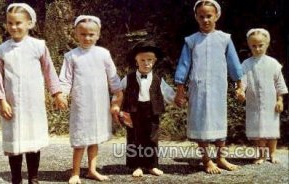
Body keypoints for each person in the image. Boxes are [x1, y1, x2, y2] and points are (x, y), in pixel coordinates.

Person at [0, 3, 67, 184]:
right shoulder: (2, 50)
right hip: (12, 103)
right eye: (10, 23)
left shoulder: (38, 46)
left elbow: (49, 71)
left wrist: (56, 93)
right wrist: (1, 101)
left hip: (33, 103)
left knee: (33, 140)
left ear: (29, 23)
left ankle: (33, 177)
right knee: (14, 142)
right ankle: (16, 178)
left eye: (18, 23)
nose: (14, 27)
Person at [174, 0, 244, 174]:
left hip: (218, 86)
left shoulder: (224, 39)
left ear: (217, 16)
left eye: (209, 16)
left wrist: (239, 85)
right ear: (196, 17)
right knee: (200, 120)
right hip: (198, 88)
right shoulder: (191, 41)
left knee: (219, 119)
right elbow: (184, 65)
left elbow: (234, 64)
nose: (205, 20)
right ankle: (206, 160)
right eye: (201, 16)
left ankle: (220, 157)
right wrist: (180, 91)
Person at [59, 15, 123, 183]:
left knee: (94, 137)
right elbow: (65, 79)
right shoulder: (71, 56)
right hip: (81, 103)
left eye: (91, 34)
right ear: (76, 34)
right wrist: (62, 94)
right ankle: (75, 172)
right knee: (81, 137)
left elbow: (113, 76)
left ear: (98, 34)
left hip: (100, 102)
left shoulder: (103, 54)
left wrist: (117, 92)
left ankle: (92, 170)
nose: (87, 38)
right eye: (83, 34)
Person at [113, 41, 176, 177]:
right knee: (134, 138)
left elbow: (168, 93)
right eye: (142, 60)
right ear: (136, 61)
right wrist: (117, 106)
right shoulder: (128, 78)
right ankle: (136, 166)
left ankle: (152, 165)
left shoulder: (158, 79)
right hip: (133, 111)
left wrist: (178, 100)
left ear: (154, 61)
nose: (146, 63)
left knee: (152, 138)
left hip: (152, 110)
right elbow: (119, 93)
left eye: (149, 60)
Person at [240, 28, 288, 164]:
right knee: (258, 130)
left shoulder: (273, 64)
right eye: (253, 46)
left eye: (260, 45)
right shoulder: (246, 64)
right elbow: (242, 81)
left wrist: (280, 100)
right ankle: (261, 155)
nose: (257, 48)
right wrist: (241, 91)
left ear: (267, 44)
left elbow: (279, 83)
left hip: (270, 103)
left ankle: (272, 153)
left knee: (271, 129)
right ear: (249, 46)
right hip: (253, 103)